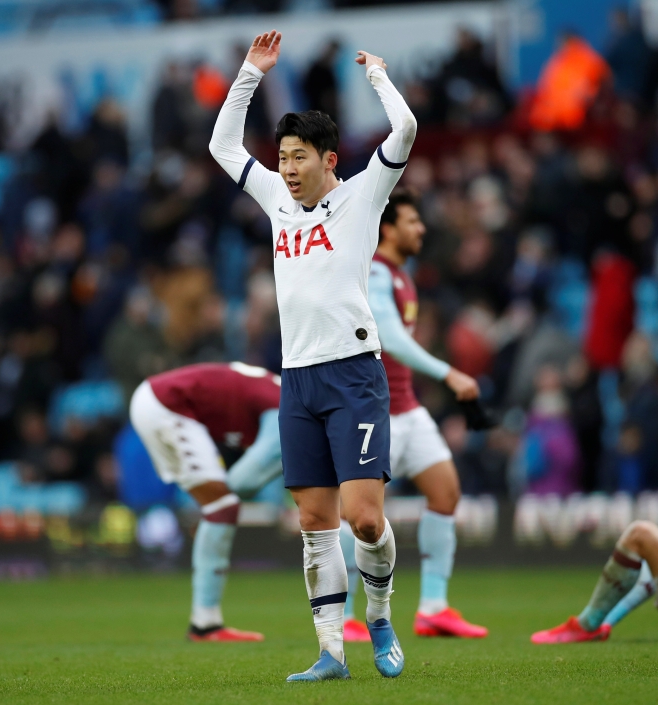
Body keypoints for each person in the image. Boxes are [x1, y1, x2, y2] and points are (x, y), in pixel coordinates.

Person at [209, 30, 416, 681]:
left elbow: (405, 128)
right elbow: (220, 146)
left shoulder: (362, 196)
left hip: (355, 375)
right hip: (297, 380)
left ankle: (379, 615)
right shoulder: (275, 199)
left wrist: (378, 78)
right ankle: (331, 651)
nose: (287, 168)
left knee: (364, 518)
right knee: (313, 520)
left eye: (298, 157)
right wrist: (250, 72)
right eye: (282, 157)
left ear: (329, 159)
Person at [340, 189, 487, 642]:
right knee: (358, 517)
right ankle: (346, 614)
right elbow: (389, 338)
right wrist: (450, 374)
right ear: (387, 227)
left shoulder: (404, 275)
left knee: (445, 493)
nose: (421, 229)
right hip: (373, 412)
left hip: (408, 408)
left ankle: (433, 608)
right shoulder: (376, 272)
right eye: (412, 221)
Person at [129, 362, 284, 642]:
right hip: (167, 404)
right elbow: (246, 480)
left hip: (158, 399)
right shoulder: (289, 408)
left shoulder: (281, 394)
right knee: (222, 505)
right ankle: (204, 625)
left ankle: (206, 623)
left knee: (221, 506)